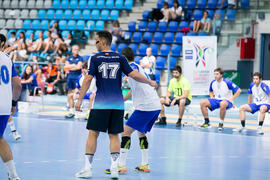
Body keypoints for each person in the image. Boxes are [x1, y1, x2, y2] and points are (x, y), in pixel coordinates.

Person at [74, 30, 157, 179]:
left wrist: (80, 99)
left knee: (93, 133)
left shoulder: (95, 57)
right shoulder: (120, 58)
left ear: (103, 42)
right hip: (118, 104)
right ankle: (114, 168)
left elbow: (87, 79)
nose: (95, 43)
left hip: (101, 103)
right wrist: (149, 81)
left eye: (97, 41)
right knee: (114, 135)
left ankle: (87, 168)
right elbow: (133, 74)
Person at [105, 47, 161, 174]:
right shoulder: (133, 68)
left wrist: (131, 75)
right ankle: (144, 164)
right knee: (141, 133)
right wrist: (122, 100)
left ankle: (121, 165)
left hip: (145, 106)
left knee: (125, 132)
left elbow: (135, 74)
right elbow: (133, 89)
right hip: (154, 106)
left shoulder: (132, 67)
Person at [0, 33, 22, 180]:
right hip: (4, 105)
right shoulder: (7, 59)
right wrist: (13, 103)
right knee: (0, 139)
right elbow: (18, 85)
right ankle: (13, 175)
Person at [64, 45, 83, 118]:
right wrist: (73, 65)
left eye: (77, 49)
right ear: (72, 50)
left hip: (77, 77)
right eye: (75, 49)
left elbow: (78, 67)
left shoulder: (80, 58)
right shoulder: (69, 58)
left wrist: (71, 66)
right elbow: (66, 67)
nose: (76, 50)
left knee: (76, 92)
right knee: (69, 92)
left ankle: (77, 107)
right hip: (70, 77)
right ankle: (70, 107)